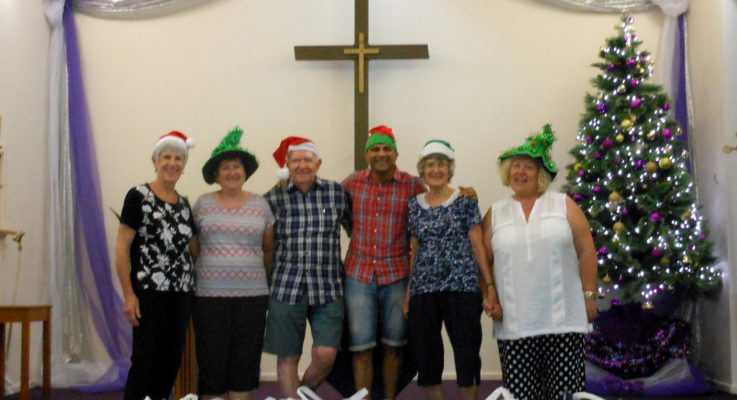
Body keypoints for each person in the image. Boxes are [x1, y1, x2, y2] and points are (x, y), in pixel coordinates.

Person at [482, 124, 598, 400]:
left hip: (564, 318)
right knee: (521, 395)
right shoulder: (495, 213)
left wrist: (589, 295)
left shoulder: (563, 204)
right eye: (516, 166)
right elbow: (484, 263)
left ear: (541, 174)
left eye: (529, 167)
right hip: (514, 323)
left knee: (566, 394)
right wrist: (489, 295)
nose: (520, 172)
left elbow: (586, 250)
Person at [403, 140, 499, 400]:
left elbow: (478, 246)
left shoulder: (465, 201)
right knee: (427, 357)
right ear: (422, 170)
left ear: (450, 170)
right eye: (430, 165)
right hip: (423, 290)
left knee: (467, 355)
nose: (436, 169)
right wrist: (409, 291)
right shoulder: (414, 205)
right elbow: (414, 250)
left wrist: (489, 286)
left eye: (442, 164)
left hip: (462, 287)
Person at [263, 136, 352, 400]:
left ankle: (301, 395)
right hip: (285, 287)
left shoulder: (336, 193)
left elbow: (357, 231)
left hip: (329, 288)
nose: (302, 165)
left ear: (318, 163)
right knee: (288, 357)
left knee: (326, 354)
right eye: (296, 160)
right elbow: (265, 245)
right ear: (287, 164)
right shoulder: (272, 198)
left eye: (308, 160)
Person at [341, 126, 426, 400]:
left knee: (394, 346)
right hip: (358, 275)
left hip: (397, 276)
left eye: (386, 148)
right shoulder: (352, 182)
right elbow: (335, 208)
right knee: (361, 348)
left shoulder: (413, 185)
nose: (381, 153)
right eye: (375, 149)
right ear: (367, 154)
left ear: (396, 154)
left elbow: (436, 203)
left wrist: (465, 194)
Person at [191, 127, 274, 400]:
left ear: (245, 172)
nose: (232, 172)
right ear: (216, 174)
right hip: (209, 295)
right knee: (211, 355)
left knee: (246, 356)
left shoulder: (261, 205)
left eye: (236, 166)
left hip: (253, 295)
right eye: (225, 167)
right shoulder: (202, 204)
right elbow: (193, 247)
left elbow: (268, 249)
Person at [115, 131, 198, 400]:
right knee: (144, 359)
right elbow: (122, 248)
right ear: (155, 161)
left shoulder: (184, 205)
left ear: (184, 166)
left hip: (181, 293)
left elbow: (193, 248)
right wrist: (129, 294)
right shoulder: (138, 196)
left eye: (178, 158)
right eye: (166, 157)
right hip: (148, 292)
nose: (172, 163)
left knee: (171, 360)